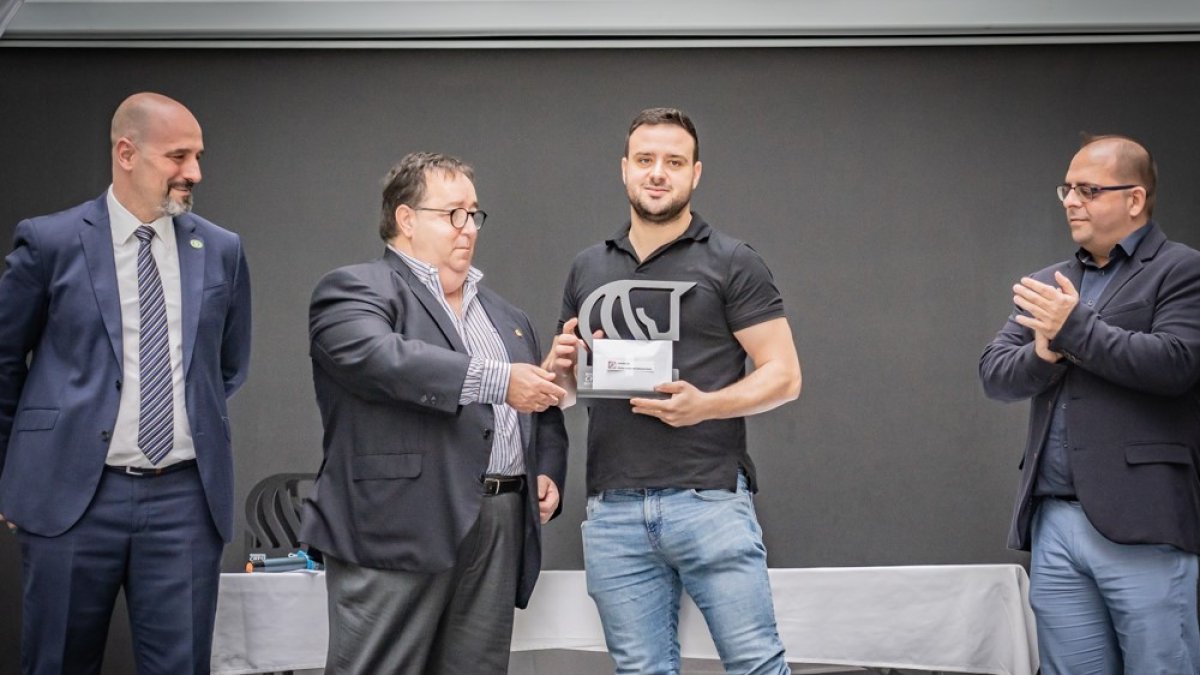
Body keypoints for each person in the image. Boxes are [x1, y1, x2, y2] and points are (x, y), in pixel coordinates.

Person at [0, 92, 252, 673]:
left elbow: (228, 367)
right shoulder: (50, 242)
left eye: (198, 156)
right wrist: (14, 476)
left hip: (185, 501)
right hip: (69, 497)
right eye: (179, 156)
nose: (195, 172)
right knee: (57, 662)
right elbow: (6, 363)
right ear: (127, 153)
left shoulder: (220, 249)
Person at [544, 107, 801, 674]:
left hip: (708, 499)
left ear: (695, 174)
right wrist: (558, 368)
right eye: (645, 160)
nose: (658, 173)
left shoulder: (733, 260)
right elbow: (563, 394)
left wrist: (706, 405)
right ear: (624, 170)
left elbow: (784, 375)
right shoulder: (587, 267)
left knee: (757, 664)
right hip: (613, 508)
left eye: (673, 162)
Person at [300, 152, 569, 674]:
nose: (468, 228)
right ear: (405, 219)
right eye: (453, 214)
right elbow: (382, 360)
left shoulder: (507, 316)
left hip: (499, 524)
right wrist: (502, 380)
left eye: (474, 214)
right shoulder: (354, 289)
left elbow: (539, 411)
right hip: (399, 525)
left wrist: (546, 471)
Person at [980, 135, 1200, 674]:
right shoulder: (1050, 283)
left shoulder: (1182, 271)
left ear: (1134, 198)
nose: (1071, 200)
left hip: (1143, 520)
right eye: (1068, 189)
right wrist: (1046, 351)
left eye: (1088, 189)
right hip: (1054, 520)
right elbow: (995, 375)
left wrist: (1073, 328)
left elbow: (1175, 364)